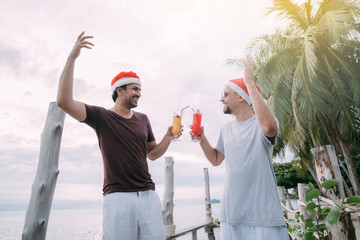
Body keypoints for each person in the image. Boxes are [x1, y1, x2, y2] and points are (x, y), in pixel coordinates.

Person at [57, 32, 180, 240]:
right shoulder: (101, 117)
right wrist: (72, 58)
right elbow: (64, 101)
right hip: (118, 198)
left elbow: (152, 155)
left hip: (149, 196)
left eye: (140, 89)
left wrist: (168, 137)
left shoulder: (143, 118)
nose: (139, 93)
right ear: (119, 90)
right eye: (134, 89)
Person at [191, 56, 288, 239]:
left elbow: (269, 128)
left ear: (242, 98)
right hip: (232, 215)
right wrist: (202, 139)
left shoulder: (261, 124)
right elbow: (216, 159)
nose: (221, 98)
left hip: (264, 216)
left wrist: (249, 83)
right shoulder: (226, 129)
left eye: (226, 94)